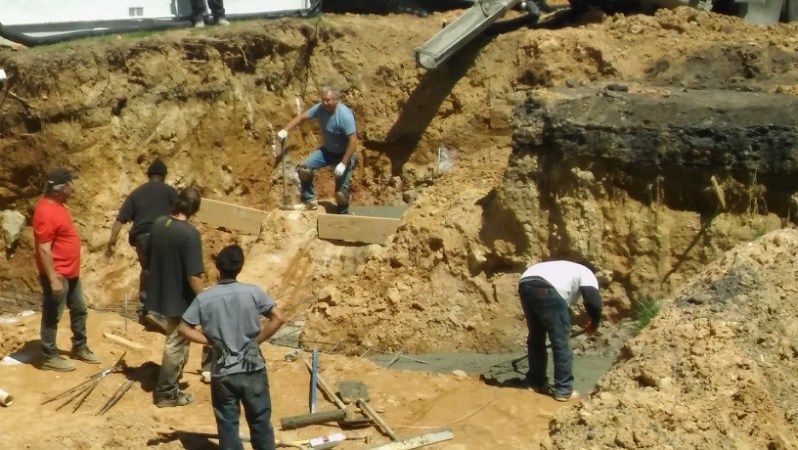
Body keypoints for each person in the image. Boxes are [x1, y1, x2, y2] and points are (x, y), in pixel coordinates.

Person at [180, 244, 284, 450]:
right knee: (260, 420)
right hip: (252, 368)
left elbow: (183, 329)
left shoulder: (204, 298)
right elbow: (278, 318)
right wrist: (257, 341)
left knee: (227, 424)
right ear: (240, 268)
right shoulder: (253, 292)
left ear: (218, 269)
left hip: (222, 371)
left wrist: (209, 341)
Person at [33, 167, 101, 372]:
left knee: (79, 308)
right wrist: (53, 279)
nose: (74, 188)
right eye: (71, 184)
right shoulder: (45, 211)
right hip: (58, 274)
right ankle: (48, 355)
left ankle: (79, 346)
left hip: (70, 273)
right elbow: (44, 249)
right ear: (61, 188)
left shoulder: (58, 206)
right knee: (53, 314)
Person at [146, 187, 205, 407]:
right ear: (195, 208)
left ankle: (172, 383)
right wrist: (205, 299)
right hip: (180, 298)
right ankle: (166, 393)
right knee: (176, 343)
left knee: (179, 341)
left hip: (161, 292)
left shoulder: (160, 223)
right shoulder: (189, 234)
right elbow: (193, 276)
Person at [106, 159, 177, 332]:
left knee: (147, 270)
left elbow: (120, 219)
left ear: (148, 175)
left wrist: (112, 241)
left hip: (142, 237)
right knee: (164, 271)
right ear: (164, 176)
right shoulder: (171, 192)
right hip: (163, 234)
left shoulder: (136, 193)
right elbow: (181, 214)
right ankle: (157, 312)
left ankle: (144, 311)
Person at [518, 260, 602, 401]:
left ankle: (535, 382)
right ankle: (563, 390)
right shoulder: (587, 272)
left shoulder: (565, 267)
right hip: (548, 288)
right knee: (560, 341)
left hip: (525, 284)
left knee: (536, 337)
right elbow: (593, 301)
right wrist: (595, 322)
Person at [278, 87, 359, 214]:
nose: (325, 103)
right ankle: (309, 200)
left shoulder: (344, 115)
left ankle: (344, 213)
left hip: (344, 155)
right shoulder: (320, 108)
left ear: (336, 100)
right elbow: (301, 118)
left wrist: (343, 164)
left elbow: (353, 141)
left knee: (340, 194)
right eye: (323, 100)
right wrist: (285, 130)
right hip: (327, 152)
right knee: (304, 168)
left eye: (328, 100)